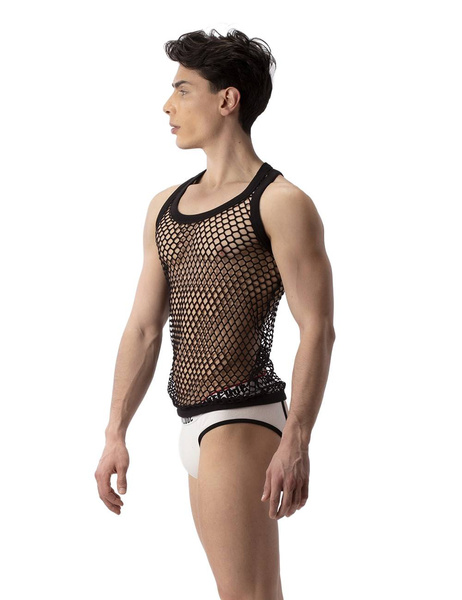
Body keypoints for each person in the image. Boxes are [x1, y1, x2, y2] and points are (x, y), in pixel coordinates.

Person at [95, 28, 335, 600]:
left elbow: (318, 329)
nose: (167, 105)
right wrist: (114, 433)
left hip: (242, 418)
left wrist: (296, 439)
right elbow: (144, 328)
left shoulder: (280, 202)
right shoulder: (166, 205)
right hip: (192, 422)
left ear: (227, 100)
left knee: (248, 596)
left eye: (183, 89)